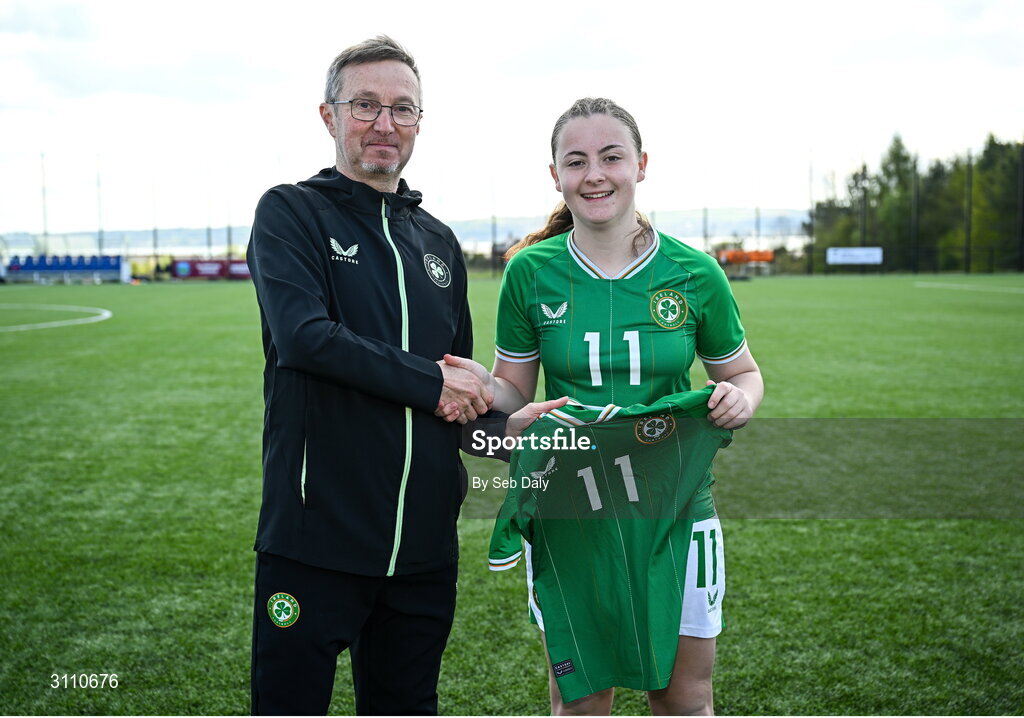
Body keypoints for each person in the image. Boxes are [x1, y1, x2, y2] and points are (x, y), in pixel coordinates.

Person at [245, 35, 537, 715]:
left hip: (422, 554)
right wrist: (434, 384)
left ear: (419, 123)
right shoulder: (290, 212)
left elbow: (461, 394)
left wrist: (508, 428)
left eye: (403, 110)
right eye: (366, 106)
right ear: (329, 116)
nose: (385, 125)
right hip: (313, 543)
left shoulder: (438, 242)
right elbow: (305, 339)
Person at [445, 97, 764, 715]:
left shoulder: (695, 273)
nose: (595, 174)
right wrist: (487, 392)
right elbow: (514, 390)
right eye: (577, 160)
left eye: (611, 157)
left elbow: (745, 374)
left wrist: (737, 399)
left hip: (675, 504)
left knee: (683, 694)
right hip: (571, 504)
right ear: (556, 176)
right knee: (581, 697)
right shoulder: (531, 272)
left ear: (640, 165)